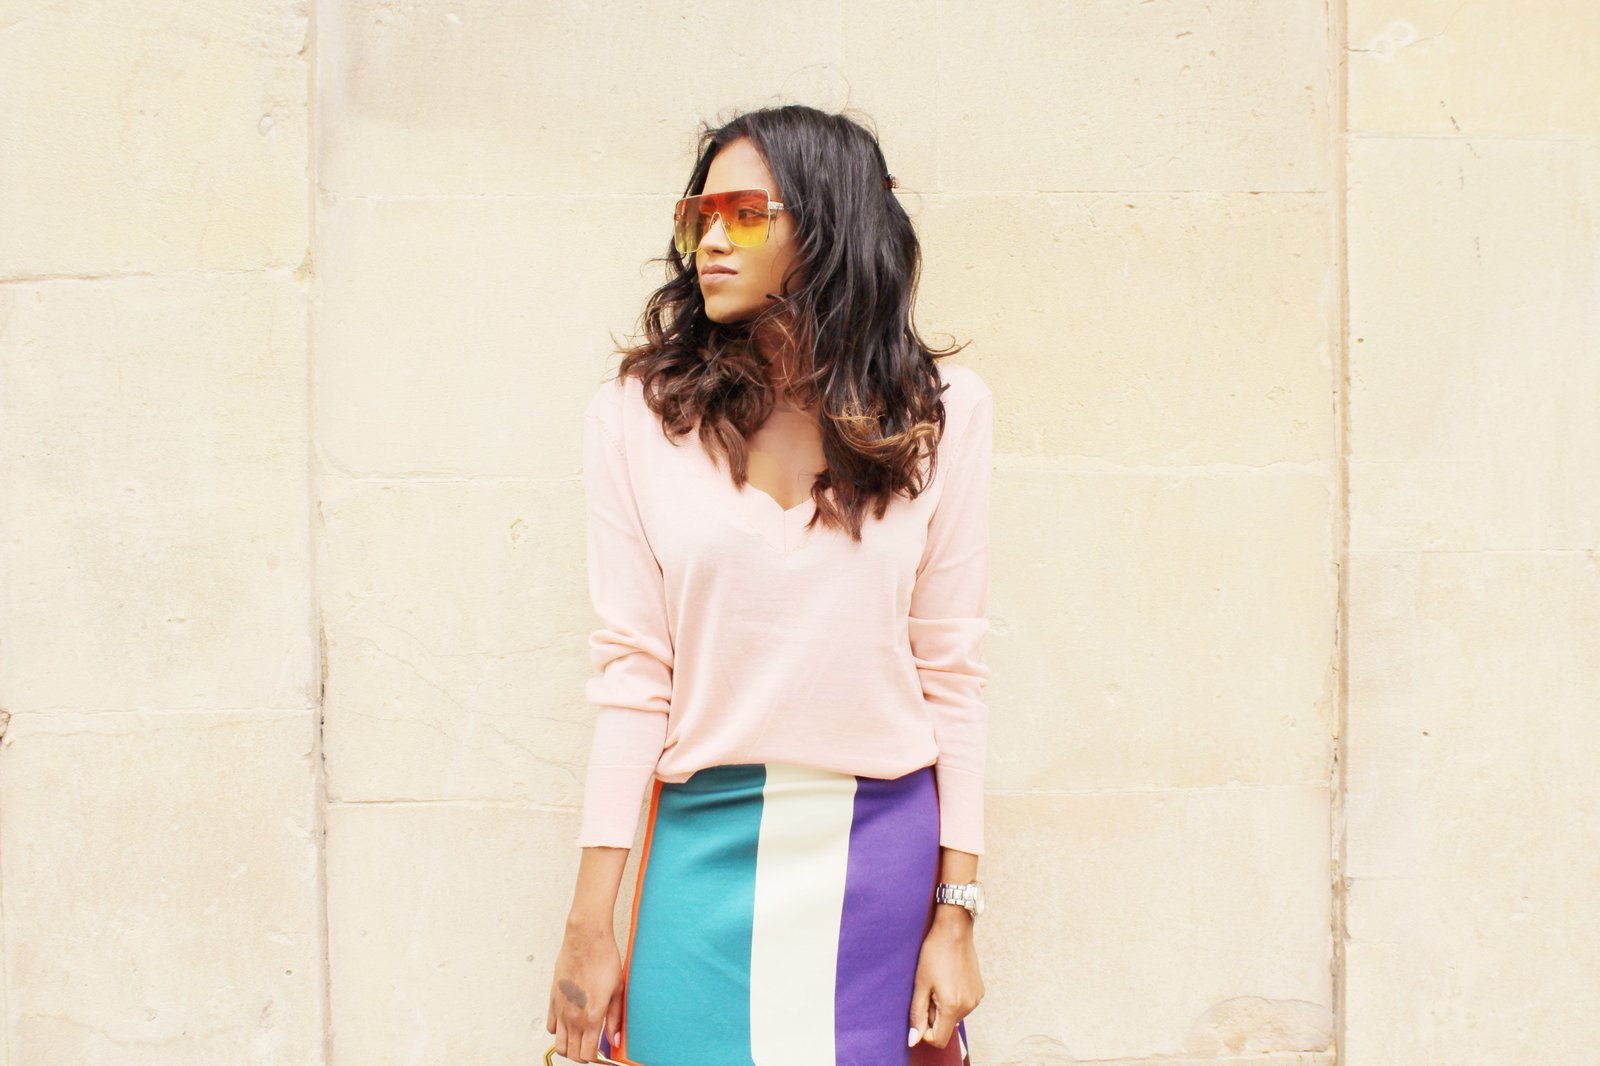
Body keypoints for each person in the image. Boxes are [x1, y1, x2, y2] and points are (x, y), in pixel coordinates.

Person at [546, 104, 992, 1066]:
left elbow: (951, 671)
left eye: (745, 213)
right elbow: (634, 675)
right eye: (697, 216)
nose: (711, 239)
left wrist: (956, 912)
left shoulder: (943, 415)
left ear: (829, 226)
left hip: (880, 851)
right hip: (704, 845)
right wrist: (593, 919)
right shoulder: (634, 417)